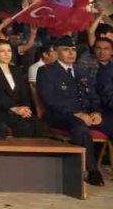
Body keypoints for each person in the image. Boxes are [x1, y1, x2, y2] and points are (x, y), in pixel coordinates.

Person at [37, 36, 111, 186]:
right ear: (57, 53)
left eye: (73, 50)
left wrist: (96, 112)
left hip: (87, 114)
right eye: (66, 50)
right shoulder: (46, 71)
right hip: (59, 115)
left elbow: (94, 96)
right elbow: (49, 99)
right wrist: (76, 113)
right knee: (79, 127)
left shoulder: (81, 71)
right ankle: (92, 171)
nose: (71, 53)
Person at [0, 39, 50, 138]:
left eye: (9, 51)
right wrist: (13, 108)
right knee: (23, 126)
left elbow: (25, 94)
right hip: (0, 111)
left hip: (20, 111)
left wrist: (26, 109)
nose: (6, 54)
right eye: (2, 51)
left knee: (40, 125)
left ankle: (40, 153)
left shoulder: (17, 71)